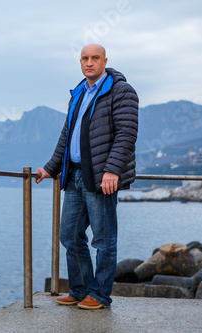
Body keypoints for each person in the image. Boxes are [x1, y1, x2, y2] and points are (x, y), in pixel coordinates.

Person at [35, 44, 138, 310]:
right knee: (69, 235)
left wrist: (112, 170)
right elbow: (67, 135)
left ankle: (100, 295)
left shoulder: (121, 90)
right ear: (80, 62)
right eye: (84, 58)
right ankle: (80, 290)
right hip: (75, 176)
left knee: (104, 240)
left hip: (101, 177)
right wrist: (50, 167)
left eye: (95, 58)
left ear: (105, 61)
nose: (89, 63)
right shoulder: (79, 92)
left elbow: (126, 134)